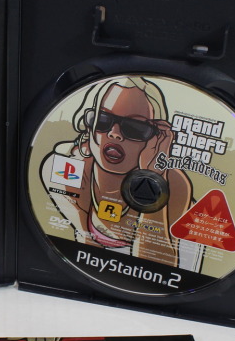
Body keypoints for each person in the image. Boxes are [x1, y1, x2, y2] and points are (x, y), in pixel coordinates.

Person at [40, 76, 201, 271]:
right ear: (89, 124)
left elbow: (156, 273)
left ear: (156, 137)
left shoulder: (174, 185)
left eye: (134, 128)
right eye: (103, 120)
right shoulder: (64, 167)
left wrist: (153, 176)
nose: (114, 134)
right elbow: (85, 251)